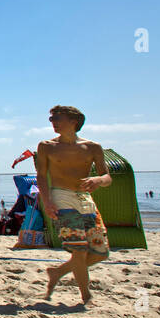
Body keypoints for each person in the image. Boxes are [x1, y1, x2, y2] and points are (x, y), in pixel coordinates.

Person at [39, 105, 112, 304]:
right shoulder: (47, 146)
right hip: (61, 197)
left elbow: (107, 177)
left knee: (99, 252)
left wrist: (98, 181)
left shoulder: (92, 147)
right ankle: (86, 296)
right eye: (51, 119)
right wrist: (47, 202)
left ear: (74, 121)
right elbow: (41, 178)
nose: (53, 122)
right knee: (79, 251)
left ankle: (57, 272)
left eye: (57, 118)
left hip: (84, 199)